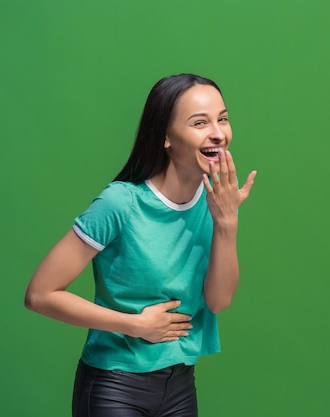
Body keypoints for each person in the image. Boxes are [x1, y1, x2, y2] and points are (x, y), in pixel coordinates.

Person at [25, 73, 256, 417]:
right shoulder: (121, 203)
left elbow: (219, 301)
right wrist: (135, 325)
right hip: (116, 385)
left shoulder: (215, 202)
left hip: (179, 384)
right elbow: (40, 295)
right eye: (200, 122)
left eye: (222, 119)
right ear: (165, 136)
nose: (218, 133)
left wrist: (227, 223)